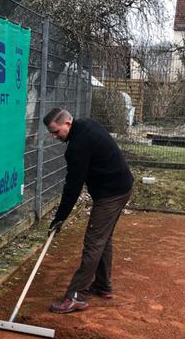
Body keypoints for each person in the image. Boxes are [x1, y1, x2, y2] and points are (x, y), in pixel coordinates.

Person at [43, 107, 134, 314]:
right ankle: (103, 285)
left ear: (67, 123)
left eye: (56, 132)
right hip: (120, 186)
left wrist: (60, 217)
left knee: (93, 242)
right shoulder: (86, 124)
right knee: (103, 238)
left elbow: (73, 187)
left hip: (112, 194)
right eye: (52, 133)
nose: (55, 137)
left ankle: (76, 296)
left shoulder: (77, 146)